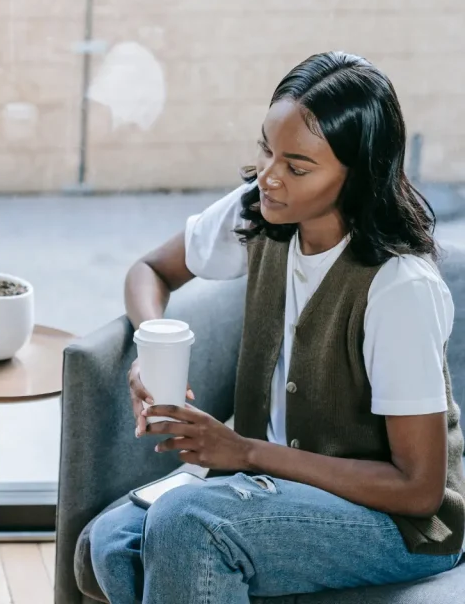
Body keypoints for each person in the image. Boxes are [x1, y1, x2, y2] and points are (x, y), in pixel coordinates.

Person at [90, 51, 465, 603]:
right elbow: (150, 270)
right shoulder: (260, 214)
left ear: (357, 174)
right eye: (267, 149)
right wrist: (153, 346)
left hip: (394, 524)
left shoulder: (399, 287)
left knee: (186, 524)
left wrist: (243, 453)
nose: (269, 176)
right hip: (274, 487)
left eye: (297, 166)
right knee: (112, 543)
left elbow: (418, 489)